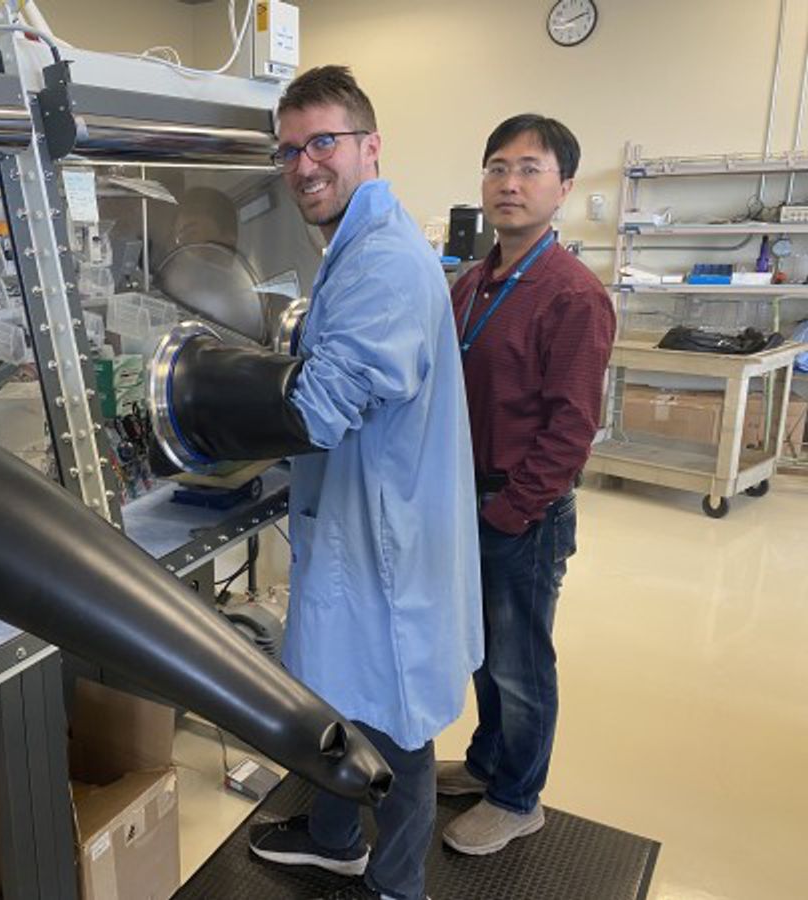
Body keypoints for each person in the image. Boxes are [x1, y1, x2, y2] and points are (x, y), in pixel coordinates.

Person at [245, 65, 482, 900]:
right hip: (364, 515)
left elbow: (318, 412)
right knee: (345, 699)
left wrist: (209, 406)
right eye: (288, 150)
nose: (304, 165)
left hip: (387, 536)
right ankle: (335, 836)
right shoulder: (355, 248)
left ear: (369, 147)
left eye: (323, 143)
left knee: (397, 723)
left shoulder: (380, 263)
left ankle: (396, 882)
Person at [437, 115, 615, 855]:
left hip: (522, 511)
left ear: (563, 188)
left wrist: (510, 513)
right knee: (482, 651)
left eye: (531, 169)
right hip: (467, 500)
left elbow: (572, 428)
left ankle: (518, 798)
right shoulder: (474, 282)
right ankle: (486, 763)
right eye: (497, 167)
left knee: (521, 661)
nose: (510, 183)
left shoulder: (572, 295)